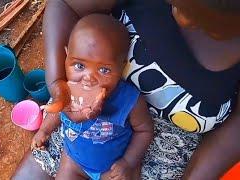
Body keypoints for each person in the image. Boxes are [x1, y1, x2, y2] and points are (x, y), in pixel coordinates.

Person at [13, 0, 240, 179]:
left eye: (190, 9)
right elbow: (66, 3)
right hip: (80, 125)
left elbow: (231, 136)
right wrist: (58, 87)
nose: (176, 15)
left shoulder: (131, 102)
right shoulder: (85, 84)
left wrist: (132, 162)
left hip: (162, 155)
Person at [30, 14, 153, 180]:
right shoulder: (66, 88)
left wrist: (128, 162)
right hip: (74, 161)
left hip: (113, 168)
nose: (88, 78)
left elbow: (144, 130)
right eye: (79, 65)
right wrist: (44, 130)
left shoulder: (130, 100)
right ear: (66, 57)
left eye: (104, 70)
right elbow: (58, 110)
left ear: (122, 66)